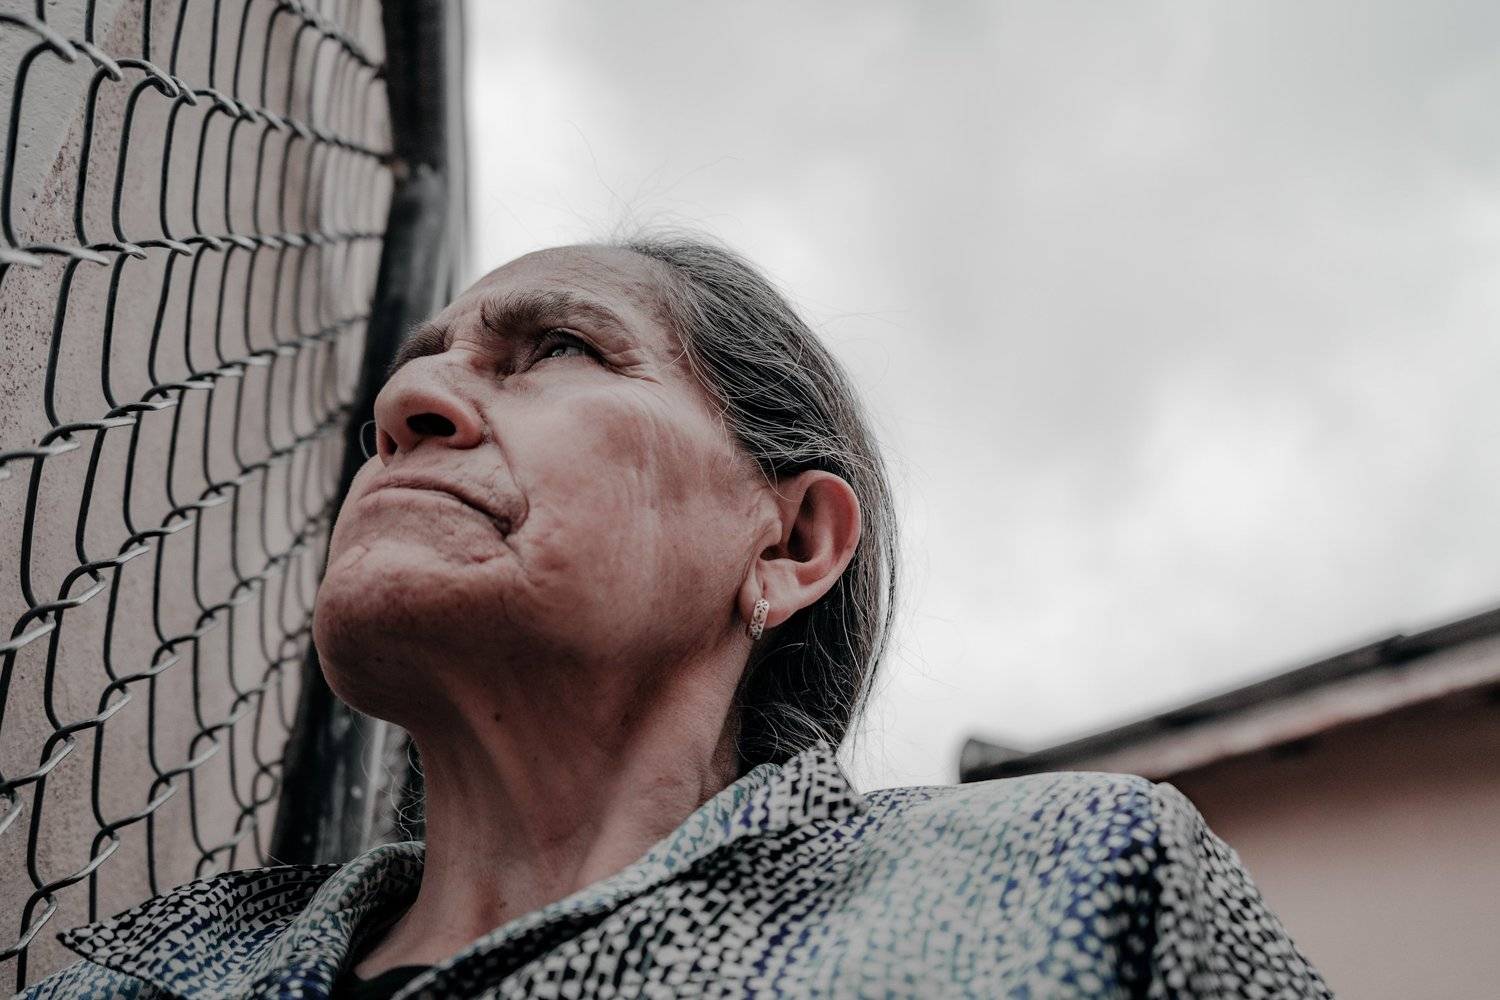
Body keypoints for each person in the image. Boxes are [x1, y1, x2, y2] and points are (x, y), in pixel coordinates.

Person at [26, 236, 1331, 999]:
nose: (405, 406)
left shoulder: (1070, 881)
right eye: (418, 367)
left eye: (558, 350)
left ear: (792, 544)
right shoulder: (141, 974)